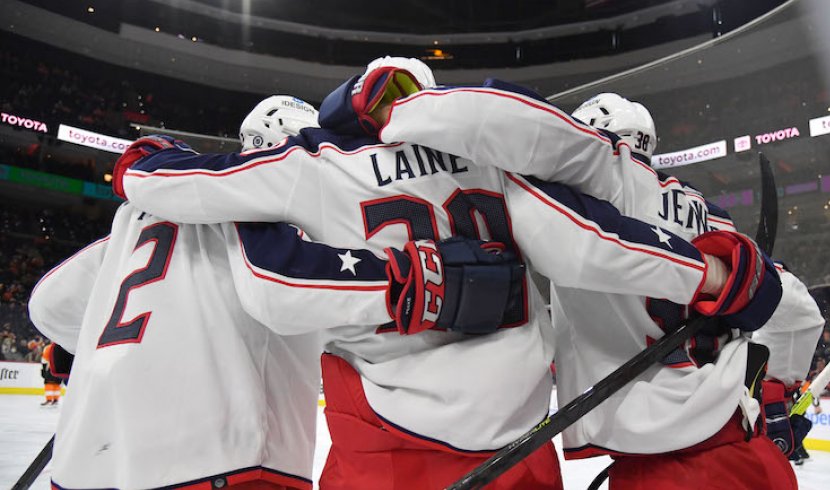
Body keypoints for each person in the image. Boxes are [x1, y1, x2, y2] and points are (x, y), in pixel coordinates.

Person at [114, 67, 779, 489]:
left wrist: (142, 158)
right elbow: (585, 243)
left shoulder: (309, 163)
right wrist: (713, 272)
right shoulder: (489, 159)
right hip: (520, 454)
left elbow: (180, 194)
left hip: (385, 462)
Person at [28, 96, 515, 489]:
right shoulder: (268, 212)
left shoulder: (131, 223)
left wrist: (140, 353)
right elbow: (282, 284)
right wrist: (427, 282)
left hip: (86, 459)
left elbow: (47, 305)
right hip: (220, 456)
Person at [370, 88, 824, 488]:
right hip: (750, 450)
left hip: (667, 469)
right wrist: (776, 395)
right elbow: (798, 309)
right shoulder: (713, 214)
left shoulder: (596, 191)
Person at [39, 341, 62, 406]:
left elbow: (44, 360)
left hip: (51, 368)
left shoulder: (48, 347)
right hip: (60, 369)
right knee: (57, 384)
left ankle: (49, 400)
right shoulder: (63, 348)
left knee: (49, 383)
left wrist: (43, 369)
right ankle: (56, 400)